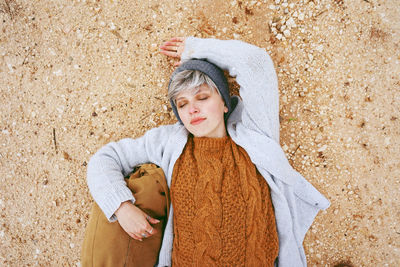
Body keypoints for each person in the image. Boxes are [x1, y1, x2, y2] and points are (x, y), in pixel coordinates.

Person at [86, 36, 330, 266]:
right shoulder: (170, 142)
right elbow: (104, 159)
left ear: (224, 103)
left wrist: (196, 49)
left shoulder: (255, 134)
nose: (193, 109)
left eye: (202, 97)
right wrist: (121, 206)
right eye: (182, 104)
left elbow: (255, 62)